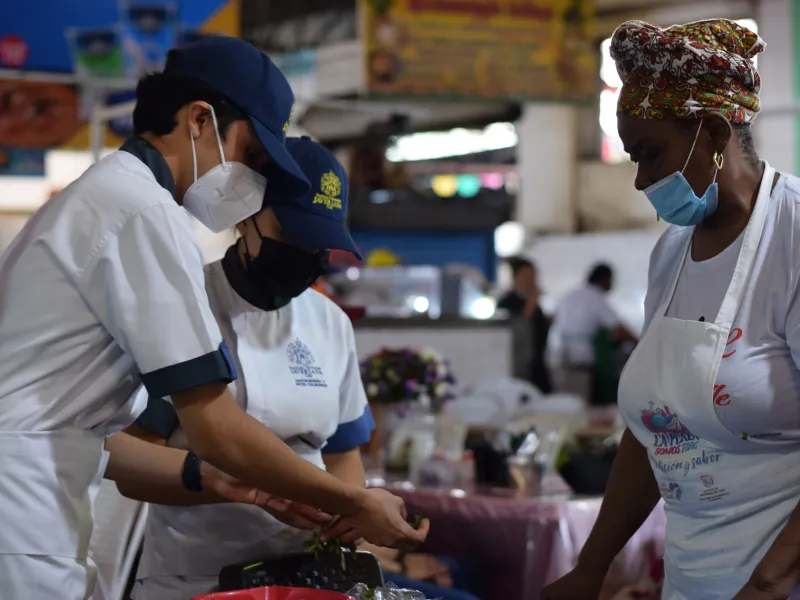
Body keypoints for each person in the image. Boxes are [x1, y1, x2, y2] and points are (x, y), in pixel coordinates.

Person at [0, 37, 423, 600]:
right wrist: (349, 501)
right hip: (26, 496)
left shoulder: (110, 199)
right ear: (200, 120)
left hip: (43, 491)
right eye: (250, 157)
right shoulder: (140, 210)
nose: (246, 183)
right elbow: (212, 423)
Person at [543, 19, 800, 600]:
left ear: (711, 133)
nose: (640, 180)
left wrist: (764, 586)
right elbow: (656, 428)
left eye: (650, 154)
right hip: (694, 578)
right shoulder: (672, 254)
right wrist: (592, 567)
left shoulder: (792, 238)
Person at [127, 137, 404, 599]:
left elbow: (342, 453)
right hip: (196, 580)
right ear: (246, 215)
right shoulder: (188, 304)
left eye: (321, 244)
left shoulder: (328, 321)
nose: (308, 256)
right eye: (294, 236)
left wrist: (344, 513)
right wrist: (221, 479)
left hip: (308, 578)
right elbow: (132, 456)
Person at [548, 263, 636, 401]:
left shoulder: (570, 294)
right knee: (581, 403)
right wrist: (638, 342)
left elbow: (551, 318)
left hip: (558, 356)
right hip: (580, 359)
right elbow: (618, 328)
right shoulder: (595, 297)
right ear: (605, 280)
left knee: (565, 401)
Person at [497, 257, 553, 393]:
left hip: (537, 363)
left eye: (533, 276)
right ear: (515, 277)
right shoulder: (506, 302)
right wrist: (532, 300)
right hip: (517, 366)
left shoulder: (536, 306)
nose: (531, 281)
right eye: (526, 276)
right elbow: (521, 327)